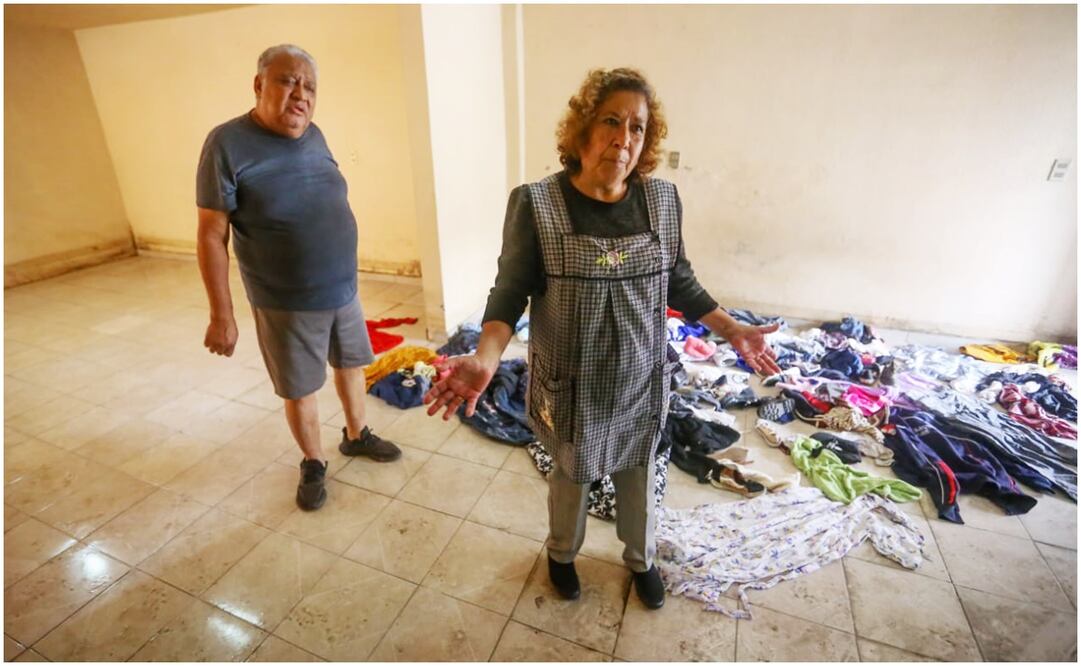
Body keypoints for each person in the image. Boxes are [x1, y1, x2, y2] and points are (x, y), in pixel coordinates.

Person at [423, 67, 781, 610]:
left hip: (641, 378)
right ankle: (561, 553)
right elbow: (509, 292)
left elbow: (678, 280)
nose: (624, 138)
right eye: (611, 121)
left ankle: (641, 559)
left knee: (640, 473)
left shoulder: (662, 201)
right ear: (582, 131)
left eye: (637, 127)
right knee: (570, 475)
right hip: (573, 385)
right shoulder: (537, 204)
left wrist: (732, 330)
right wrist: (486, 357)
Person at [195, 44, 401, 511]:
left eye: (309, 86)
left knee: (350, 364)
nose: (300, 95)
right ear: (259, 84)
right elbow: (211, 234)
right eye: (289, 81)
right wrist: (221, 314)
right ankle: (313, 461)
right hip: (284, 298)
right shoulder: (226, 144)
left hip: (342, 287)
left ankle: (355, 434)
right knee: (301, 385)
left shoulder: (315, 134)